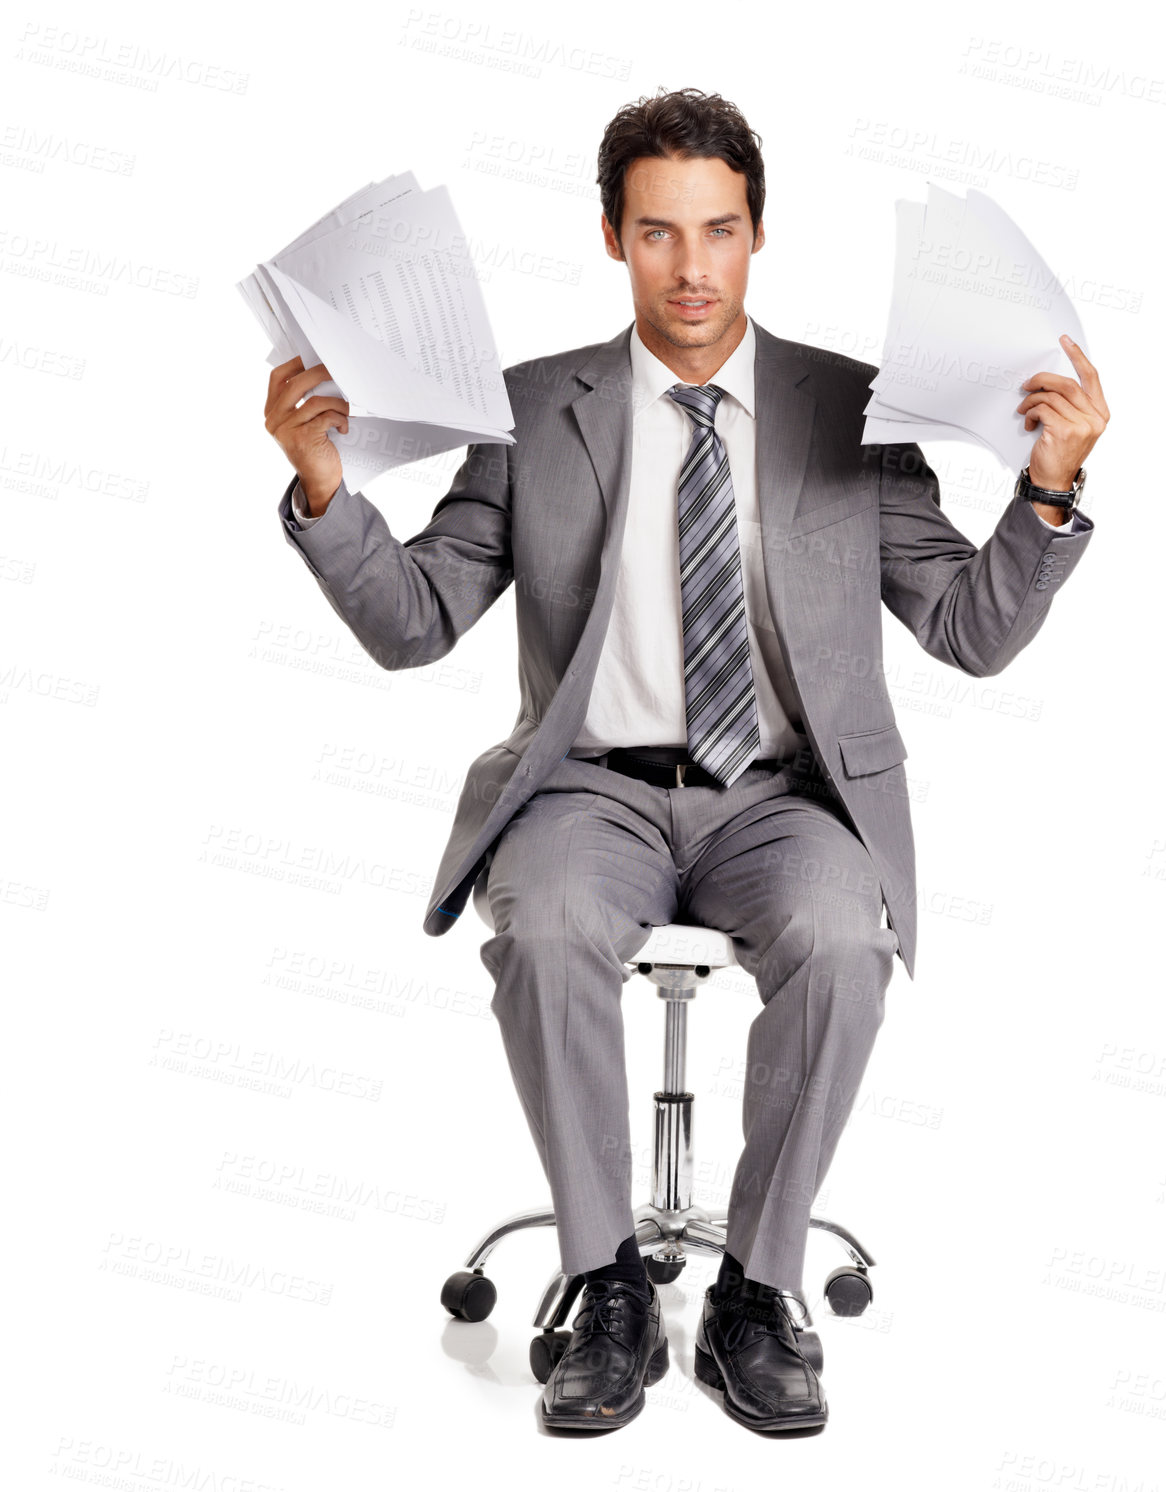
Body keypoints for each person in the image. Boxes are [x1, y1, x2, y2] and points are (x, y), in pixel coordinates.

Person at [263, 86, 1106, 1433]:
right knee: (543, 935)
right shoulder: (535, 410)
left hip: (780, 799)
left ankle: (755, 1291)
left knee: (843, 942)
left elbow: (968, 629)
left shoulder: (854, 412)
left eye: (719, 230)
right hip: (587, 792)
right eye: (659, 233)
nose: (693, 268)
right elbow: (416, 624)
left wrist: (1048, 490)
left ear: (758, 233)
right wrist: (325, 493)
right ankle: (602, 1282)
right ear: (612, 238)